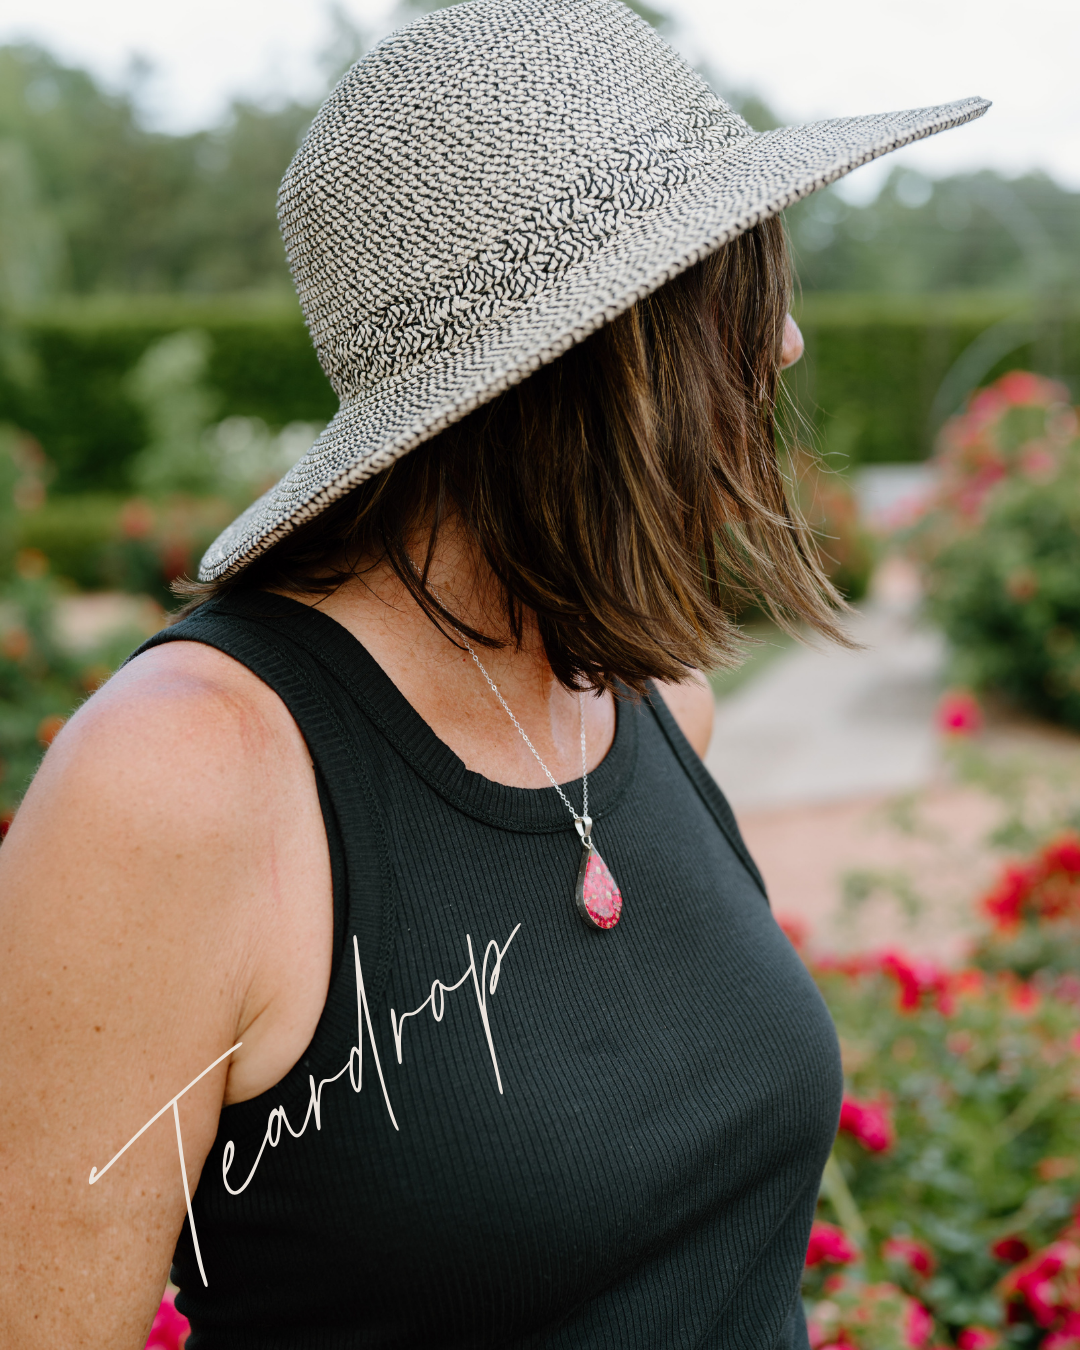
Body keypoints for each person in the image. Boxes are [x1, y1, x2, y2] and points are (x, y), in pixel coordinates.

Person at [0, 2, 987, 1345]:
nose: (788, 342)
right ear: (584, 356)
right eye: (730, 286)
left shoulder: (647, 699)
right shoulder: (186, 782)